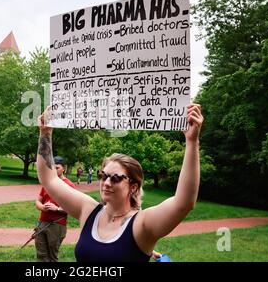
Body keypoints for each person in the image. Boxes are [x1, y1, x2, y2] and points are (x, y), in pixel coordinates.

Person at [36, 104, 203, 262]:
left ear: (133, 186)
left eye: (115, 178)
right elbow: (49, 179)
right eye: (103, 175)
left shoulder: (142, 224)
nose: (106, 182)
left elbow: (183, 203)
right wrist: (45, 132)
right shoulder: (88, 211)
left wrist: (191, 141)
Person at [34, 156, 75, 262]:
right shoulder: (47, 182)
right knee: (41, 255)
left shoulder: (69, 185)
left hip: (57, 225)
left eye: (57, 168)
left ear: (64, 168)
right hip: (42, 222)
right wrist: (42, 207)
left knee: (52, 257)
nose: (54, 170)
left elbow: (73, 208)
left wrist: (57, 209)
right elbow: (37, 201)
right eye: (52, 168)